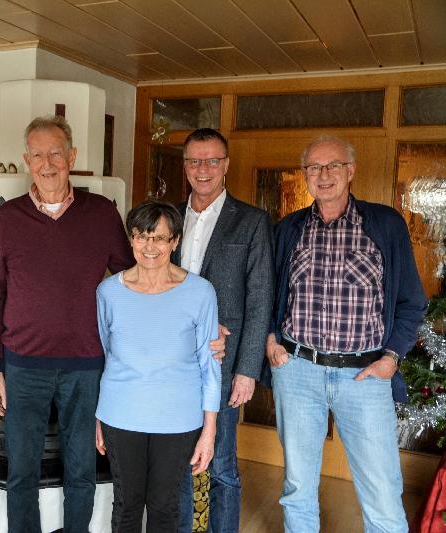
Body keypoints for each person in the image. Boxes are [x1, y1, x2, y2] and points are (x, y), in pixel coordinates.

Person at [265, 135, 427, 532]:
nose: (323, 175)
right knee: (298, 485)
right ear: (305, 175)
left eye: (332, 166)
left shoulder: (385, 225)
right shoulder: (290, 228)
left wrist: (391, 359)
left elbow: (412, 301)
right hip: (298, 370)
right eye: (314, 168)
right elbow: (268, 293)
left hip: (365, 376)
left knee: (382, 490)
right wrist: (270, 338)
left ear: (350, 171)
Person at [0, 115, 134, 533]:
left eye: (55, 152)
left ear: (71, 156)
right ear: (26, 160)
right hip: (23, 364)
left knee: (82, 469)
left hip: (86, 364)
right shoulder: (9, 218)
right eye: (37, 154)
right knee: (21, 473)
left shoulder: (102, 213)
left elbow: (131, 281)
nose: (47, 162)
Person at [95, 200, 221, 532]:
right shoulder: (108, 292)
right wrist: (100, 417)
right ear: (131, 239)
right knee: (126, 504)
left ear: (175, 241)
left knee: (165, 507)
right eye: (142, 237)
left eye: (160, 238)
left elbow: (210, 366)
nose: (150, 247)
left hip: (179, 419)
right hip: (120, 416)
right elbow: (108, 358)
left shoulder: (201, 293)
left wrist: (209, 430)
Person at [173, 128, 274, 533]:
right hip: (173, 362)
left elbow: (261, 298)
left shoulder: (251, 222)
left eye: (212, 161)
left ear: (226, 165)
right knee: (179, 459)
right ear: (185, 166)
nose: (203, 169)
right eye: (195, 161)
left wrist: (248, 369)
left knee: (223, 465)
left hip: (224, 362)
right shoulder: (170, 217)